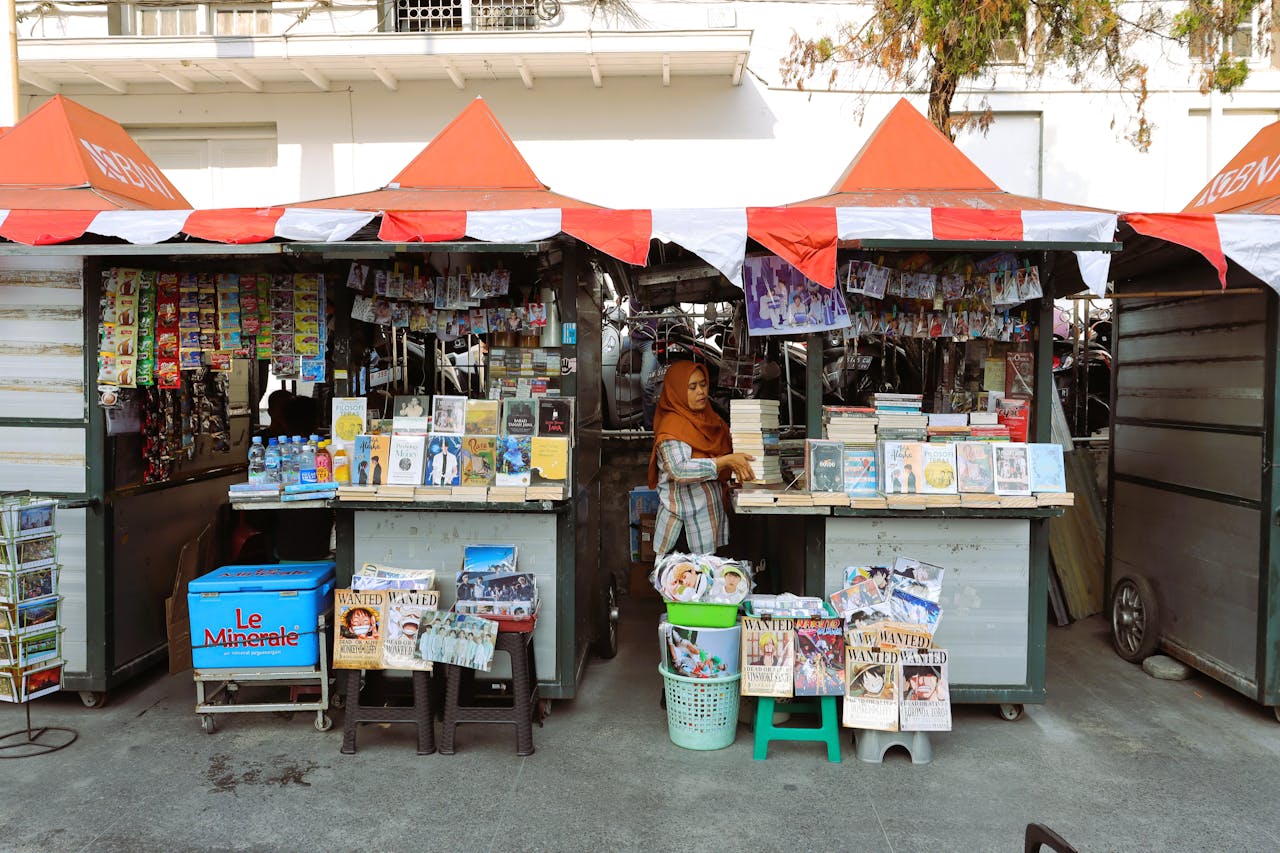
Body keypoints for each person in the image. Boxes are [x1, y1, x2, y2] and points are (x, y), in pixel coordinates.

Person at [647, 361, 754, 556]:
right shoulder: (672, 426)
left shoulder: (708, 417)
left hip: (709, 523)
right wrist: (726, 461)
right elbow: (679, 469)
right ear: (677, 390)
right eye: (692, 387)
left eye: (703, 384)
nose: (701, 392)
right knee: (685, 584)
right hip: (683, 530)